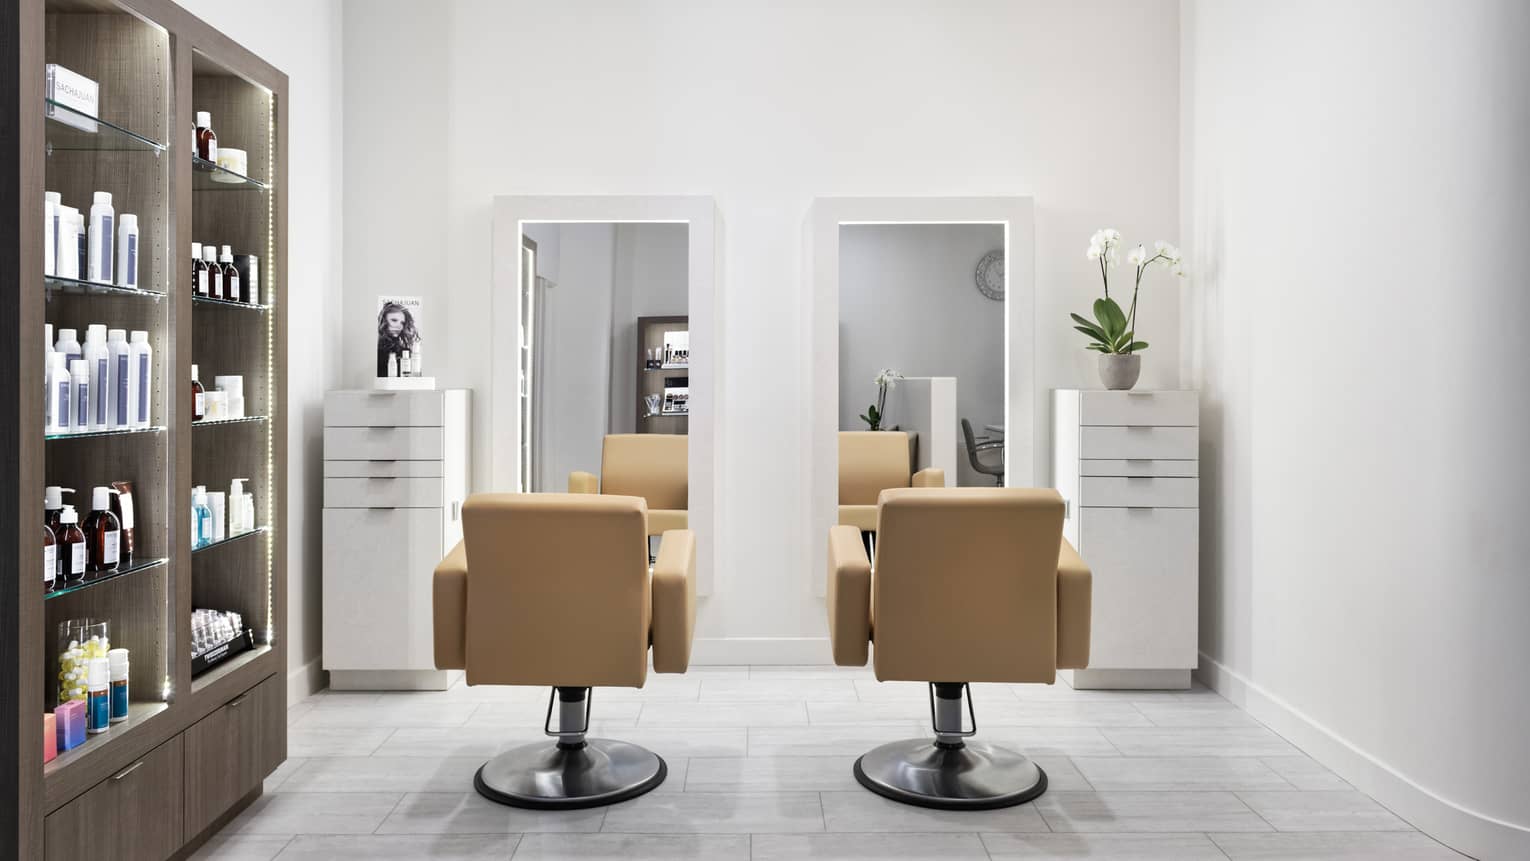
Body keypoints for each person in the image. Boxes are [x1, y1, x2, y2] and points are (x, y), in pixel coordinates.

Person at [376, 301, 420, 377]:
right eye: (394, 320)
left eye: (402, 323)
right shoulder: (375, 349)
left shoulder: (404, 352)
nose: (399, 326)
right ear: (384, 321)